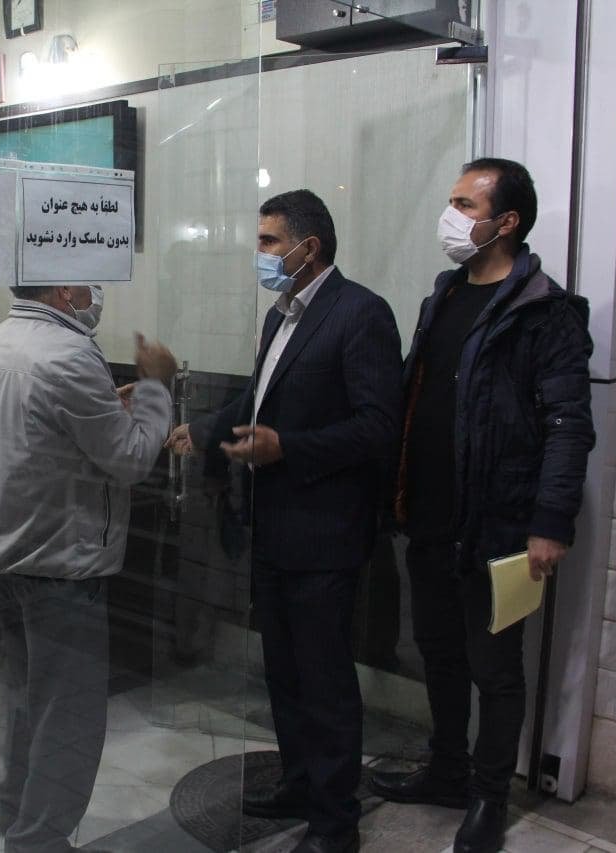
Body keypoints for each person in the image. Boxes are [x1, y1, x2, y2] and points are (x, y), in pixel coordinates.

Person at [369, 159, 595, 853]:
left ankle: (489, 797)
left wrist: (550, 523)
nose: (451, 216)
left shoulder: (546, 312)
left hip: (501, 527)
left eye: (465, 204)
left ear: (507, 222)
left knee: (495, 669)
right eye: (452, 201)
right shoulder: (442, 296)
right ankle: (446, 770)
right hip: (430, 516)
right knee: (438, 651)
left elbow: (568, 424)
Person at [168, 190, 402, 853]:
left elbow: (378, 427)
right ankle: (300, 783)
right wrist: (205, 430)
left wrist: (288, 448)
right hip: (272, 528)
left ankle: (335, 822)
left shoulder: (360, 314)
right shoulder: (281, 316)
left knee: (325, 683)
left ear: (309, 247)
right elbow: (257, 398)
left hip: (325, 534)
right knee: (286, 675)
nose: (261, 254)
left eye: (270, 241)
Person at [0, 284, 175, 853]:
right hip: (62, 565)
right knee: (68, 719)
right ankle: (39, 841)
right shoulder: (69, 353)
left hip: (6, 555)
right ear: (63, 287)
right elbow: (130, 460)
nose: (97, 292)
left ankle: (19, 820)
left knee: (29, 702)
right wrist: (156, 389)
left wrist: (109, 407)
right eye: (89, 279)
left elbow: (44, 436)